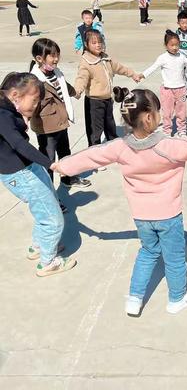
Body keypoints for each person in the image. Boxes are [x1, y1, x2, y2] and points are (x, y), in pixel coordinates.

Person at [53, 87, 187, 315]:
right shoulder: (169, 145)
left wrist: (62, 166)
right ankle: (177, 298)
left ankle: (135, 298)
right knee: (175, 258)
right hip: (168, 215)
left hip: (141, 216)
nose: (160, 113)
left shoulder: (120, 147)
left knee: (148, 252)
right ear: (149, 117)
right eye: (158, 110)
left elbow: (92, 155)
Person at [0, 72, 76, 276]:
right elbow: (18, 144)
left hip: (25, 167)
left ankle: (40, 245)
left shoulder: (6, 109)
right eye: (34, 101)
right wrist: (51, 164)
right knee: (53, 219)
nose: (35, 106)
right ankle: (48, 262)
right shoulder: (3, 116)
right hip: (21, 172)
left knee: (44, 209)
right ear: (15, 94)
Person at [29, 38, 90, 213]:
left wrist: (75, 92)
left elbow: (63, 86)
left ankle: (68, 178)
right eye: (52, 56)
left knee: (65, 153)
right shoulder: (35, 80)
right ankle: (49, 198)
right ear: (39, 58)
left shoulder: (56, 72)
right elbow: (29, 104)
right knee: (48, 162)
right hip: (46, 128)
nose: (56, 59)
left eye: (57, 55)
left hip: (61, 123)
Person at [74, 29, 143, 147]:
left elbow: (120, 68)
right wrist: (77, 90)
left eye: (100, 42)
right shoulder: (86, 62)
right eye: (94, 43)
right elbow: (82, 78)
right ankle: (95, 153)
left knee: (110, 125)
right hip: (94, 102)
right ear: (86, 44)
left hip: (107, 99)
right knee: (95, 130)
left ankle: (113, 146)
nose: (98, 45)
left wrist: (133, 74)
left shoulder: (106, 58)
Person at [140, 30, 187, 137]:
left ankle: (182, 130)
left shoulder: (182, 57)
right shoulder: (163, 58)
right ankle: (167, 131)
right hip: (167, 90)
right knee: (167, 113)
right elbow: (153, 67)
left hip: (181, 89)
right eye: (172, 45)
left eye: (177, 45)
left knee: (181, 112)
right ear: (166, 46)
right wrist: (142, 75)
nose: (175, 47)